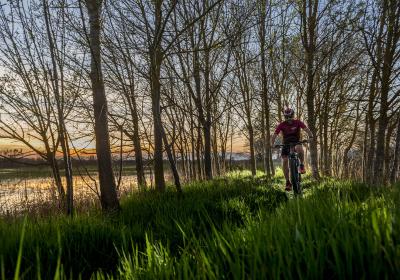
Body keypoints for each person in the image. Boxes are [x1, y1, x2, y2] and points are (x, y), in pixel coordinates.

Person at [271, 108, 314, 191]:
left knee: (299, 148)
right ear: (284, 117)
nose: (288, 118)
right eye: (286, 117)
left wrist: (311, 136)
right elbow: (274, 134)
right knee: (284, 161)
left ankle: (301, 165)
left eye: (290, 116)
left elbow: (307, 129)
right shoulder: (282, 124)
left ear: (293, 115)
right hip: (286, 143)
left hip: (296, 141)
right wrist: (272, 144)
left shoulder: (297, 122)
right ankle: (288, 182)